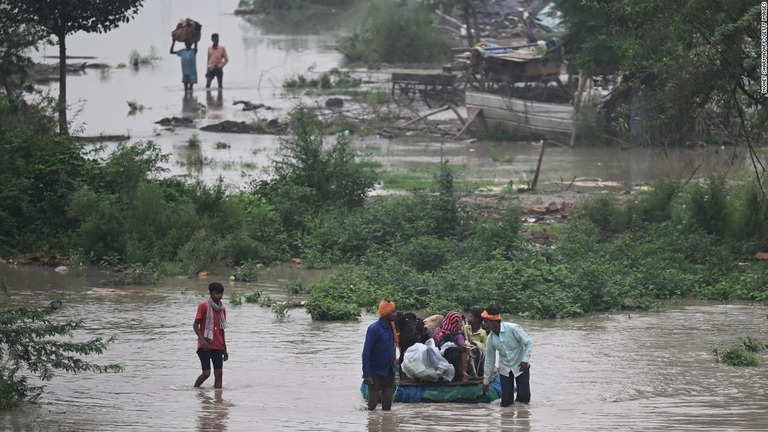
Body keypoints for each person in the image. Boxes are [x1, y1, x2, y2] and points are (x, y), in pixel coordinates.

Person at [481, 307, 533, 406]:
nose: (483, 324)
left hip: (521, 366)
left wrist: (525, 360)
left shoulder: (513, 328)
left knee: (524, 399)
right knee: (506, 402)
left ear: (494, 322)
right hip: (505, 369)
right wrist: (486, 381)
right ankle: (506, 420)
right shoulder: (490, 339)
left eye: (486, 322)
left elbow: (529, 342)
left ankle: (523, 419)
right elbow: (489, 360)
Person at [362, 300, 398, 411]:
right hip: (375, 373)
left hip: (389, 371)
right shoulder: (374, 329)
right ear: (387, 314)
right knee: (372, 406)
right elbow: (366, 352)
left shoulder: (392, 329)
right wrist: (366, 374)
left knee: (387, 406)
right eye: (393, 311)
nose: (395, 314)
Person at [193, 282, 228, 389]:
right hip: (205, 346)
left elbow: (222, 330)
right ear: (211, 293)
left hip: (218, 346)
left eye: (221, 294)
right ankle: (195, 389)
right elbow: (195, 325)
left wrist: (225, 349)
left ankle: (218, 398)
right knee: (206, 373)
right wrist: (202, 339)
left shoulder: (222, 310)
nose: (219, 296)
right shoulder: (203, 306)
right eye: (216, 293)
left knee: (219, 373)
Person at [432, 311, 469, 382]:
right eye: (460, 322)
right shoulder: (458, 336)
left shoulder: (438, 331)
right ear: (454, 323)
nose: (461, 324)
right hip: (454, 369)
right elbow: (463, 350)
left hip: (438, 365)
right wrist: (464, 371)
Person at [463, 308, 488, 378]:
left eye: (470, 317)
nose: (468, 318)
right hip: (466, 352)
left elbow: (485, 347)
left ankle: (476, 373)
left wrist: (475, 345)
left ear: (476, 320)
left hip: (476, 355)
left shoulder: (482, 333)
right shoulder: (466, 328)